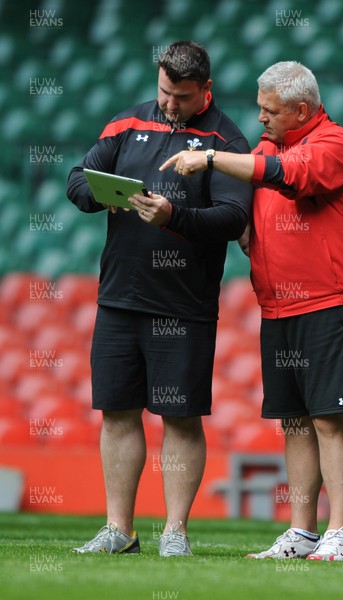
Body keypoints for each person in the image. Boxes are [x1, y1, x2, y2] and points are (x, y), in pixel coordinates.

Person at [160, 61, 343, 561]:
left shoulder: (333, 143)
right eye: (258, 108)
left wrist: (211, 158)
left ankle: (339, 532)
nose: (260, 119)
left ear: (301, 110)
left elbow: (288, 177)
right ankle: (302, 532)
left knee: (329, 420)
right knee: (295, 422)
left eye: (269, 111)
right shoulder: (267, 145)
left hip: (328, 300)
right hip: (276, 305)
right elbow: (246, 200)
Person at [67, 41, 252, 555]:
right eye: (165, 92)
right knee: (118, 412)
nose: (170, 105)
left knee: (180, 417)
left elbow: (235, 218)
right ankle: (119, 530)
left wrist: (176, 217)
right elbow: (77, 180)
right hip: (119, 297)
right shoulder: (125, 124)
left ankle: (175, 532)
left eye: (183, 97)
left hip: (184, 306)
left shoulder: (226, 141)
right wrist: (108, 193)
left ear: (205, 91)